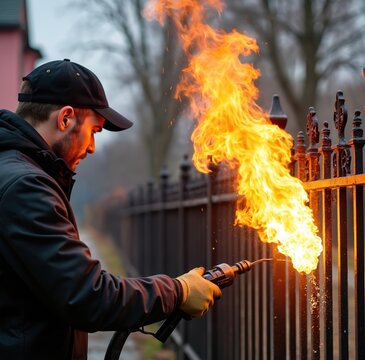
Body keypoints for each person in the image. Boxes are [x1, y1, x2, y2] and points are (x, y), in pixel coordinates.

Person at [0, 59, 221, 359]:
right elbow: (88, 296)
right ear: (65, 119)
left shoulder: (13, 172)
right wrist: (178, 291)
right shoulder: (26, 187)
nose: (92, 147)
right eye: (95, 130)